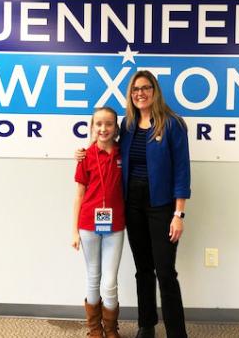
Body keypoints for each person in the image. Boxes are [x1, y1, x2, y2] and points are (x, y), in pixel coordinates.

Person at [77, 70, 191, 338]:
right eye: (135, 89)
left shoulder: (173, 124)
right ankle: (146, 325)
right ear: (130, 94)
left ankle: (177, 333)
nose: (140, 93)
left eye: (145, 88)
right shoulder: (127, 126)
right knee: (143, 269)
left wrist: (179, 214)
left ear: (154, 91)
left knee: (165, 271)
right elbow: (105, 145)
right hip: (133, 205)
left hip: (162, 206)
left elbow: (182, 172)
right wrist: (82, 150)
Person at [72, 107, 125, 338]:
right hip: (88, 226)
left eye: (109, 124)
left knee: (110, 281)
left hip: (115, 227)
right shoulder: (85, 156)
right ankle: (95, 329)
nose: (104, 128)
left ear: (116, 127)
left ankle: (111, 329)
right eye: (99, 124)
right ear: (93, 126)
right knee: (93, 276)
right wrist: (74, 231)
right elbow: (79, 195)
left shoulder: (124, 154)